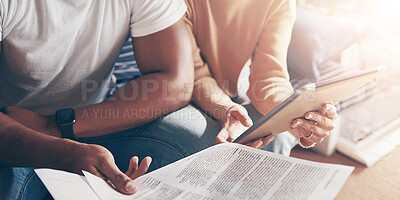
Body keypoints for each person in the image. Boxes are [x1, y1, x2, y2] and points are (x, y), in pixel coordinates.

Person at [0, 0, 194, 199]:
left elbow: (175, 81)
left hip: (88, 123)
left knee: (190, 142)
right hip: (14, 134)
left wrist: (54, 125)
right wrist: (63, 153)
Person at [184, 0, 338, 154]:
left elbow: (270, 75)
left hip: (236, 81)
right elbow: (195, 74)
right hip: (183, 85)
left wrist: (296, 114)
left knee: (279, 136)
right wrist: (225, 107)